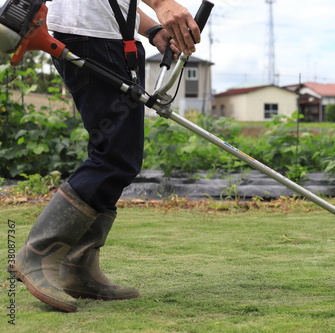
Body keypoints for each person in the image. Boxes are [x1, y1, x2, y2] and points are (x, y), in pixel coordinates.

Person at [10, 0, 200, 312]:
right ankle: (38, 252)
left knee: (120, 154)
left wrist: (150, 28)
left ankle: (79, 266)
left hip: (108, 37)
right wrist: (162, 3)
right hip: (90, 37)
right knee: (114, 155)